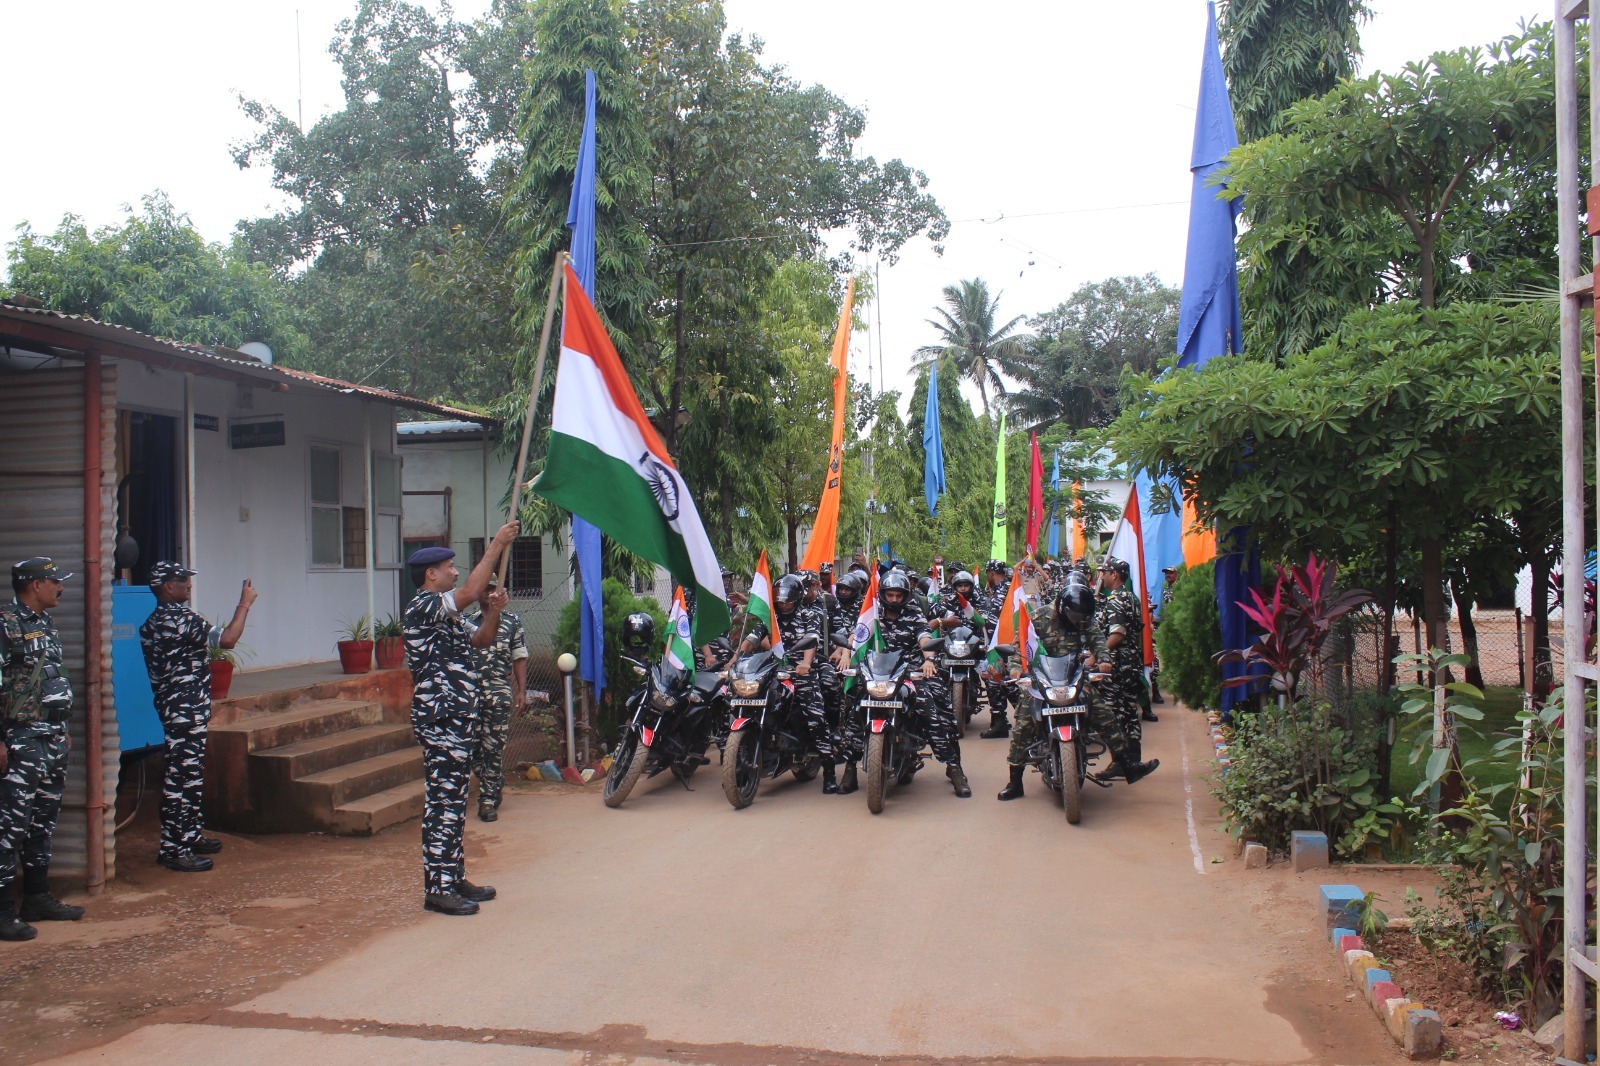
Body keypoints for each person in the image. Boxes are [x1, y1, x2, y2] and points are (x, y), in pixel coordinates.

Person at [405, 521, 518, 917]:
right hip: (441, 718)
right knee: (442, 801)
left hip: (458, 717)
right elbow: (469, 591)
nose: (455, 572)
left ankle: (453, 878)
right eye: (449, 567)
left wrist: (492, 612)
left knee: (454, 800)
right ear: (430, 575)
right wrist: (497, 546)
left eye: (455, 567)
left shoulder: (447, 616)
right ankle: (437, 888)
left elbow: (482, 640)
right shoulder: (423, 606)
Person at [139, 563, 256, 872]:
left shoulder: (153, 621)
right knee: (180, 778)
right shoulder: (179, 618)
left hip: (178, 708)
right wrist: (244, 604)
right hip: (184, 712)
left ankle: (189, 835)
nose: (188, 586)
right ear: (166, 587)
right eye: (182, 581)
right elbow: (228, 639)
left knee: (189, 776)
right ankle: (174, 848)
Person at [998, 578, 1157, 800]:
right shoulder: (1038, 618)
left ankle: (1127, 764)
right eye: (1074, 617)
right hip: (1043, 680)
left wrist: (1103, 659)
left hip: (1072, 677)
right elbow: (1019, 648)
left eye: (1082, 618)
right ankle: (1015, 781)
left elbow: (1098, 640)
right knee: (1023, 724)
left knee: (1105, 714)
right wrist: (1016, 669)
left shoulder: (1083, 617)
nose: (1078, 622)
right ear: (1063, 609)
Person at [0, 558, 83, 941]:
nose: (60, 587)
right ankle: (3, 914)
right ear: (34, 585)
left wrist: (60, 729)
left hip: (49, 737)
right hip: (19, 739)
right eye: (54, 581)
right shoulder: (6, 624)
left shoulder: (44, 624)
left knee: (41, 824)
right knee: (9, 828)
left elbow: (47, 679)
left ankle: (36, 898)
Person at [841, 569, 970, 798]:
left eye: (898, 595)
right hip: (875, 671)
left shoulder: (913, 612)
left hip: (909, 670)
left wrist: (929, 659)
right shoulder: (873, 611)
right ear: (882, 594)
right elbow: (857, 635)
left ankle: (954, 767)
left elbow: (924, 637)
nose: (894, 600)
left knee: (936, 710)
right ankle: (850, 768)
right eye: (890, 595)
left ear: (905, 595)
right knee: (852, 709)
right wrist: (845, 654)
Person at [740, 574, 836, 792]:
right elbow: (751, 640)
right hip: (774, 669)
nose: (783, 605)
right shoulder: (771, 618)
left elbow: (811, 639)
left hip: (801, 670)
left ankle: (829, 771)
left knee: (815, 716)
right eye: (780, 601)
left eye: (787, 601)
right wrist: (734, 661)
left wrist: (805, 663)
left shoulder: (809, 614)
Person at [469, 576, 528, 823]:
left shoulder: (512, 622)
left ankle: (488, 800)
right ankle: (492, 779)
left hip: (498, 691)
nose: (489, 592)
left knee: (494, 748)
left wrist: (521, 690)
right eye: (485, 588)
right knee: (472, 749)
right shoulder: (465, 621)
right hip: (470, 694)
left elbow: (519, 657)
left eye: (493, 589)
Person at [1095, 557, 1149, 761]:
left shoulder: (1115, 600)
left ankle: (1120, 762)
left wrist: (1095, 657)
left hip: (1116, 665)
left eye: (1105, 573)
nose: (1102, 576)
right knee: (1129, 712)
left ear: (1114, 575)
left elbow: (1117, 634)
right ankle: (1134, 759)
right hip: (1132, 662)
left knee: (1112, 715)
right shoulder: (1131, 598)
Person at [978, 560, 1014, 739]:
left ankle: (1031, 723)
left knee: (1009, 684)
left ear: (991, 573)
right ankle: (999, 722)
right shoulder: (1004, 589)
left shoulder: (1004, 591)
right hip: (997, 646)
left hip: (1005, 647)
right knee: (995, 683)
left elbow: (999, 622)